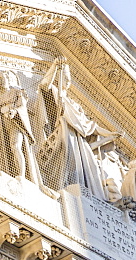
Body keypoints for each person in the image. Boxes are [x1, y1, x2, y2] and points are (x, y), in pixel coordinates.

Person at [37, 56, 118, 191]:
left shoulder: (74, 105)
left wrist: (111, 133)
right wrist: (55, 67)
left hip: (78, 140)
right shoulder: (57, 95)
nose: (67, 82)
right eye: (65, 78)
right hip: (65, 135)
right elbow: (45, 85)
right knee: (67, 164)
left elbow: (91, 126)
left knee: (81, 168)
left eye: (69, 80)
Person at [0, 70, 43, 186]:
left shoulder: (16, 92)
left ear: (8, 80)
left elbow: (22, 107)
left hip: (16, 124)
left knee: (15, 146)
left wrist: (14, 111)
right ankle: (11, 172)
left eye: (2, 78)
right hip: (2, 128)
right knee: (6, 150)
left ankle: (21, 176)